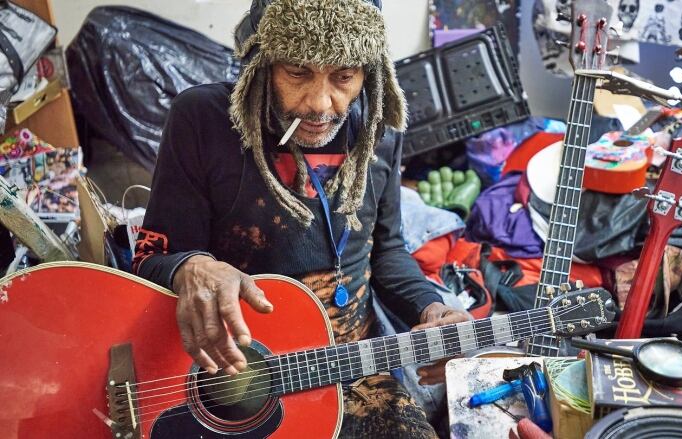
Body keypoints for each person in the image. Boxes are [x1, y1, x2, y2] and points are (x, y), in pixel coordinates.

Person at [132, 0, 470, 437]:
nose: (321, 103)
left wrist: (433, 306)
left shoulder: (378, 131)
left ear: (369, 71)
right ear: (262, 62)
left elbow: (386, 251)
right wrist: (192, 267)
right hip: (237, 374)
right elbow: (151, 257)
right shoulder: (203, 120)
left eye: (344, 76)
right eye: (297, 72)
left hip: (354, 368)